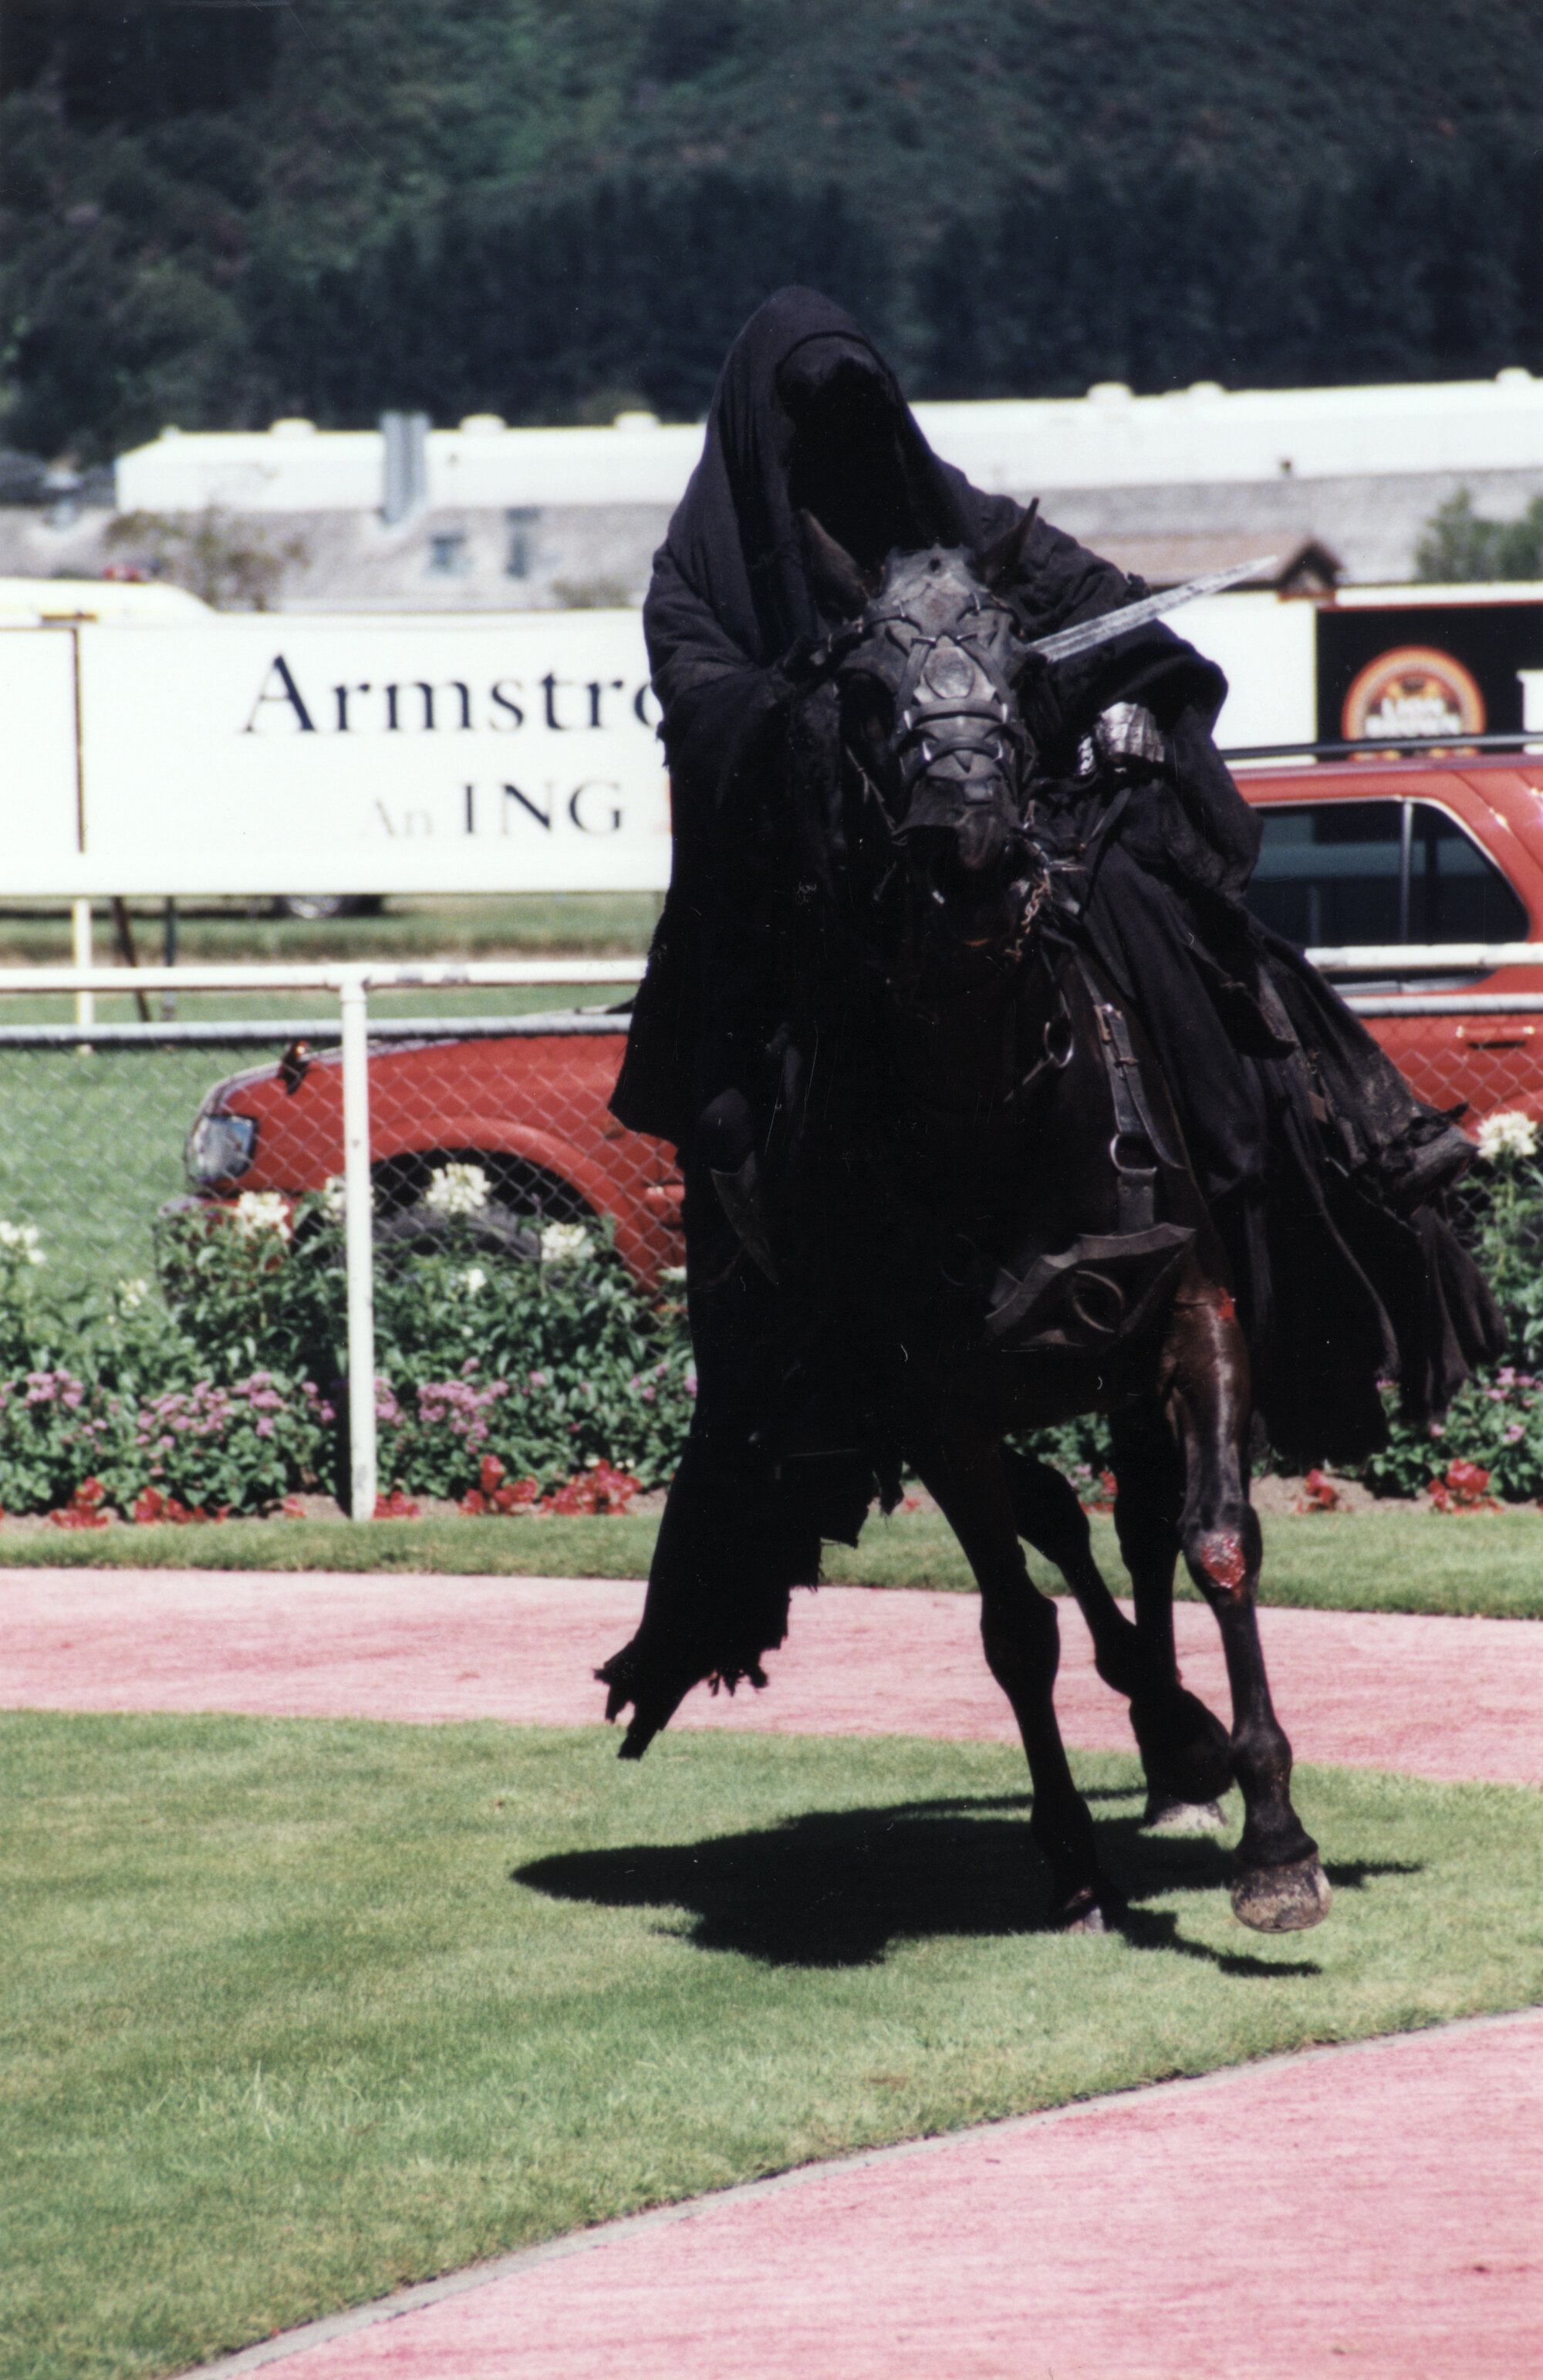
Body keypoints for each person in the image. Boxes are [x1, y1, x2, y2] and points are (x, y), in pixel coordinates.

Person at [613, 286, 1499, 1474]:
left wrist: (1128, 706)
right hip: (813, 888)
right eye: (808, 422)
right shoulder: (699, 575)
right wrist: (837, 708)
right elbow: (710, 713)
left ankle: (1311, 1166)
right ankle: (791, 1402)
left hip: (1005, 846)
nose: (842, 445)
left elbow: (1114, 614)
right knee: (738, 1110)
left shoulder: (951, 517)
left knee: (1176, 940)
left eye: (862, 411)